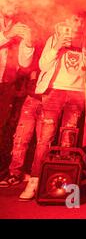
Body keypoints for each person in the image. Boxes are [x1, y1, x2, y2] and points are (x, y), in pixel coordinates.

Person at [19, 13, 86, 201]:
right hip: (54, 92)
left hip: (77, 95)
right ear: (66, 21)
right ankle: (34, 182)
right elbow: (43, 65)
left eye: (81, 21)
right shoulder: (55, 38)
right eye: (74, 20)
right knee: (45, 139)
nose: (78, 24)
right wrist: (56, 47)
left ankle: (62, 182)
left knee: (68, 141)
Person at [0, 44, 43, 187]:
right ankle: (15, 172)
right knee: (21, 138)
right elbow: (24, 70)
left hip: (49, 101)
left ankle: (36, 174)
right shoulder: (38, 50)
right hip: (31, 99)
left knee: (42, 141)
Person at [0, 2, 35, 175]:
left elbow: (24, 63)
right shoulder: (9, 29)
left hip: (7, 84)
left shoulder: (20, 24)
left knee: (3, 126)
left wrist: (28, 43)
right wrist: (7, 35)